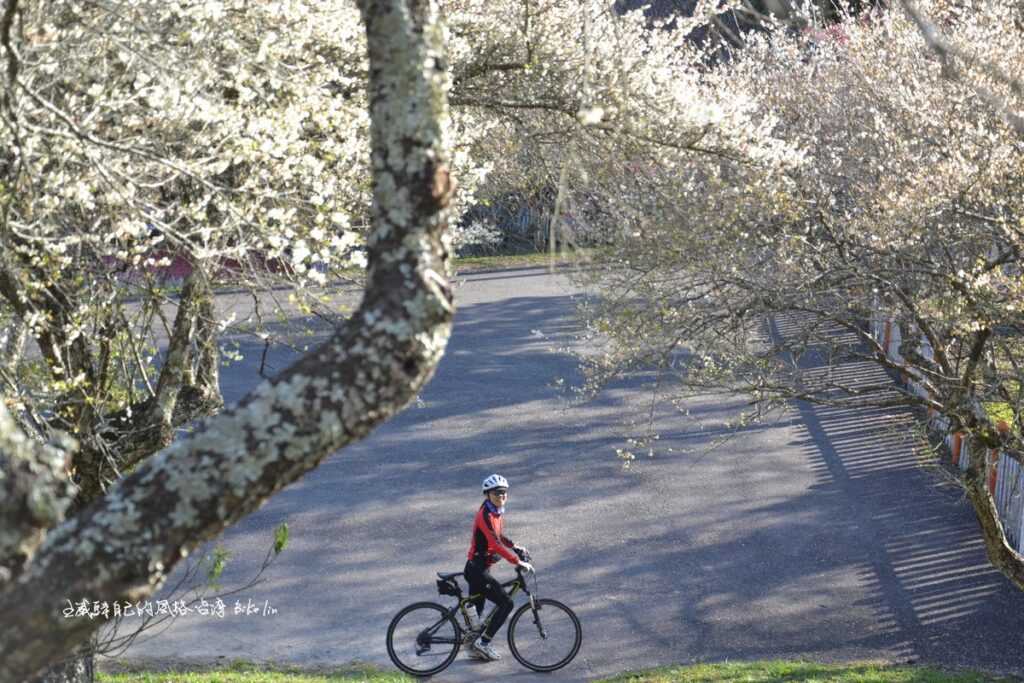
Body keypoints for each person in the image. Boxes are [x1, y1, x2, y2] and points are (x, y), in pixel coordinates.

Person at [464, 474, 534, 662]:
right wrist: (516, 561)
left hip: (479, 568)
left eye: (504, 493)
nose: (501, 496)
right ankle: (483, 644)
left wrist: (515, 546)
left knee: (476, 616)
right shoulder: (485, 514)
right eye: (497, 493)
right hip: (477, 569)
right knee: (506, 603)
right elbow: (494, 544)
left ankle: (472, 646)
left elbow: (499, 536)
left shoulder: (495, 511)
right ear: (487, 494)